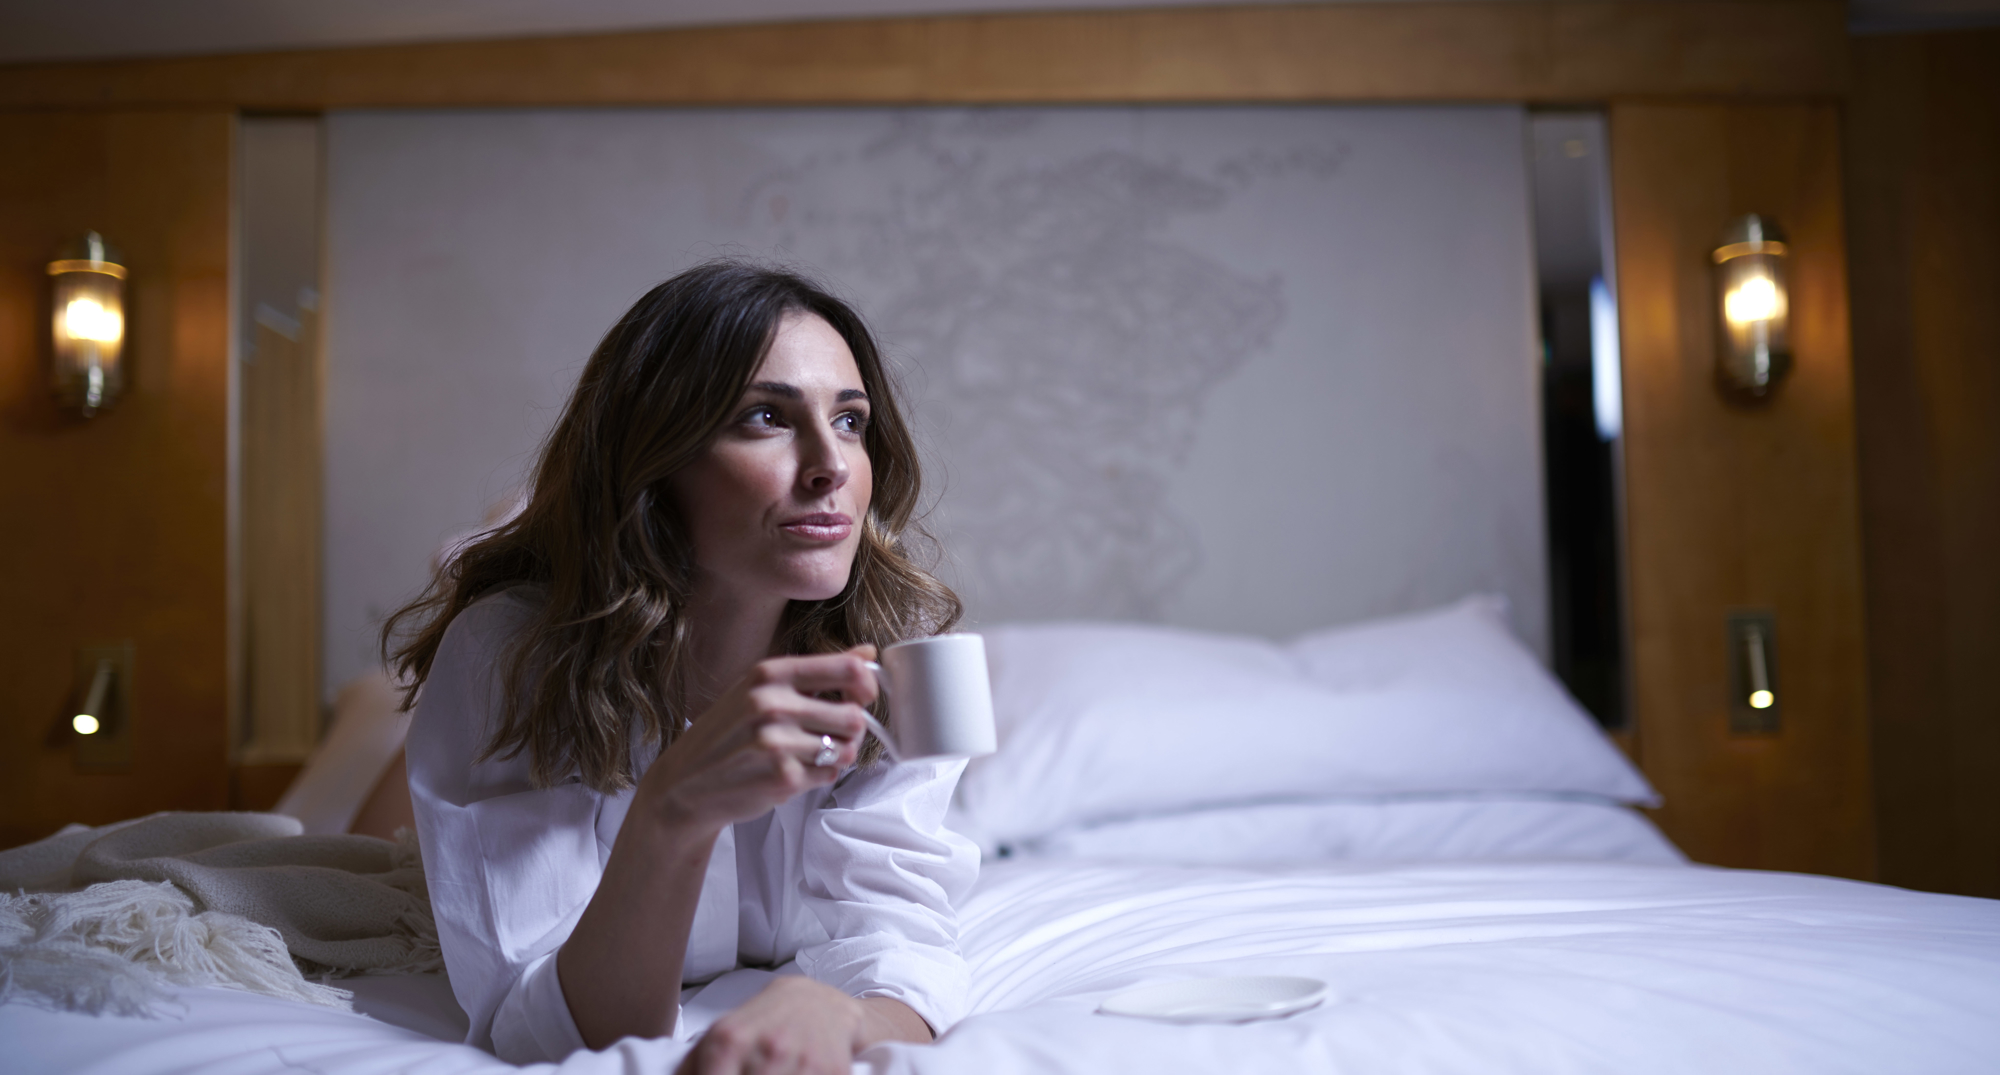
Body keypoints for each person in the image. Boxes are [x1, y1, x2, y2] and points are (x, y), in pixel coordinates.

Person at [382, 261, 977, 1074]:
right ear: (656, 458)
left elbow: (903, 942)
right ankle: (501, 531)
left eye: (850, 421)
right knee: (372, 819)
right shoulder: (508, 654)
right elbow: (541, 1026)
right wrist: (673, 810)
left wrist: (845, 1015)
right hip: (555, 633)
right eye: (767, 416)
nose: (832, 466)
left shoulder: (896, 641)